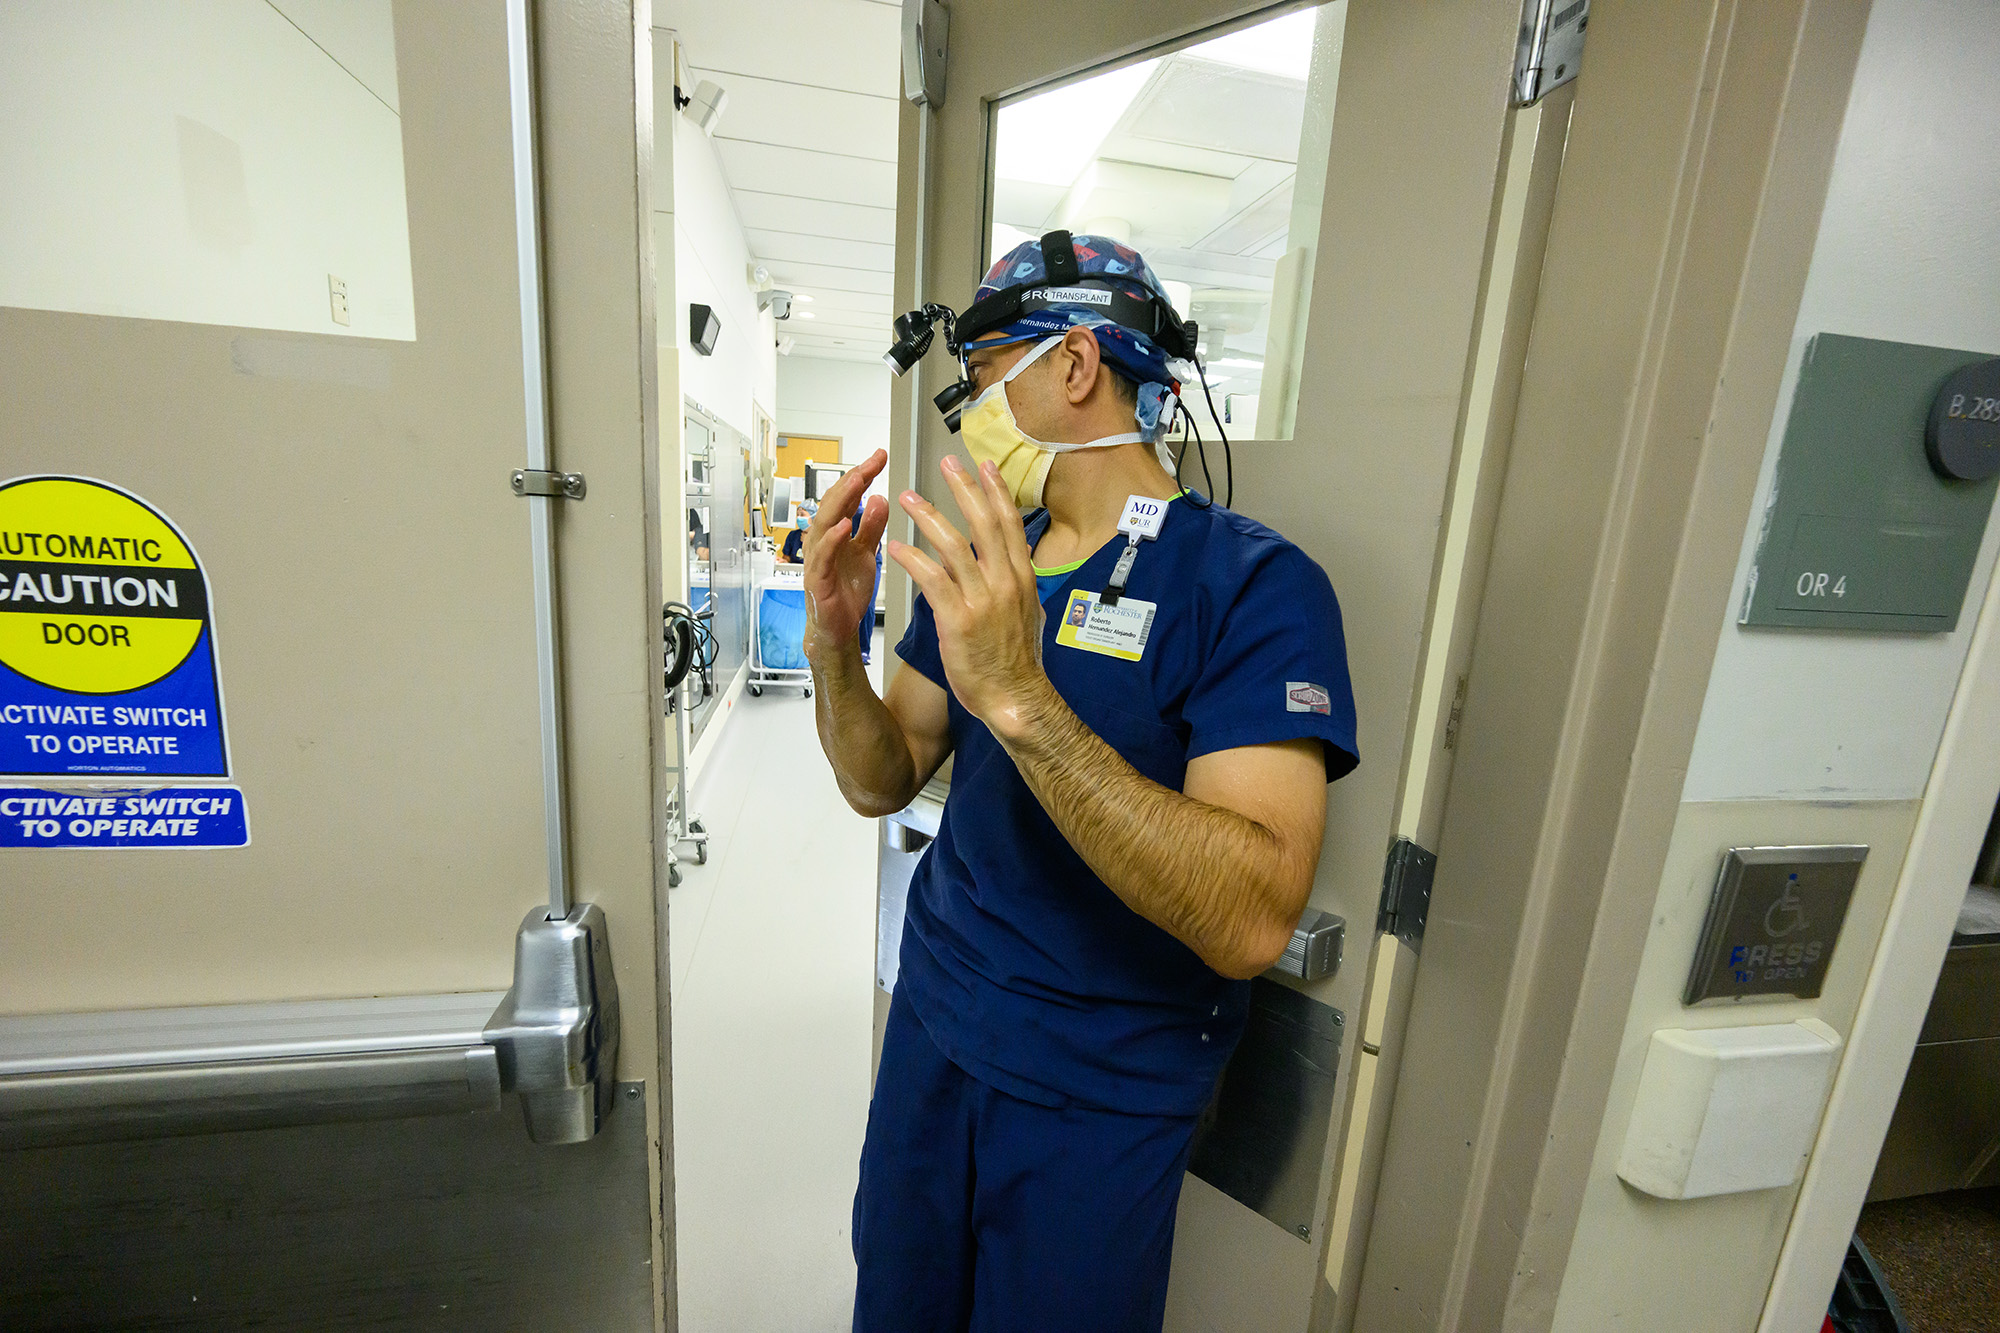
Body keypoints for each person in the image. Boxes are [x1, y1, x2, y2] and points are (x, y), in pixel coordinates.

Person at [799, 233, 1357, 1332]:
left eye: (983, 372)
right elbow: (883, 776)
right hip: (936, 1030)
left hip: (1098, 1093)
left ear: (1073, 365)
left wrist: (1019, 697)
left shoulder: (1252, 588)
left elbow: (1251, 917)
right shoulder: (986, 557)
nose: (965, 412)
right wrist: (831, 640)